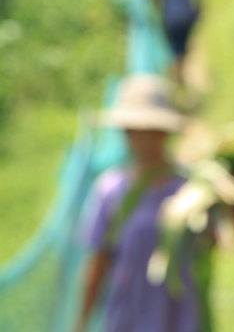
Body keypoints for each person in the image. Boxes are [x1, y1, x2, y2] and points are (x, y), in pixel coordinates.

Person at [75, 74, 202, 332]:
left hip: (176, 317)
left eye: (153, 131)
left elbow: (220, 240)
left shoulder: (189, 189)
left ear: (165, 132)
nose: (145, 140)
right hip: (127, 318)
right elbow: (98, 263)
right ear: (126, 133)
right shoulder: (111, 191)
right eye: (137, 131)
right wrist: (81, 322)